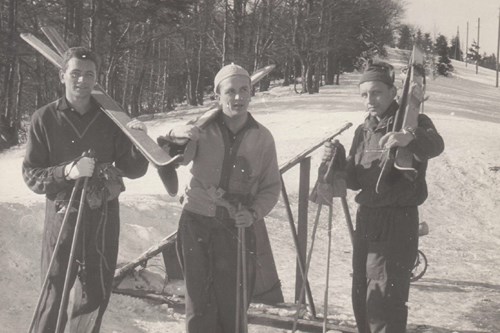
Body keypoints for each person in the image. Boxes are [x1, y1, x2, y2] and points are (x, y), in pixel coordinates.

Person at [22, 47, 149, 333]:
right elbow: (31, 175)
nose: (82, 80)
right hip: (62, 215)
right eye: (75, 73)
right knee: (53, 292)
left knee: (96, 293)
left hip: (102, 215)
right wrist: (67, 171)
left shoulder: (111, 118)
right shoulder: (44, 118)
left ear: (97, 79)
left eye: (89, 74)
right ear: (62, 75)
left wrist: (138, 143)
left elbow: (133, 169)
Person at [323, 60, 444, 333]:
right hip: (367, 220)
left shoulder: (412, 120)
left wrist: (409, 137)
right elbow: (354, 180)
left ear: (393, 92)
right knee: (363, 296)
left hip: (397, 220)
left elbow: (436, 144)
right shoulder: (363, 130)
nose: (370, 100)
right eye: (364, 94)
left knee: (386, 301)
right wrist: (338, 160)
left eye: (376, 92)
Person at [164, 63, 281, 333]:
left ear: (252, 93)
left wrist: (252, 213)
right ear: (218, 95)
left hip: (236, 227)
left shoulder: (262, 138)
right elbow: (168, 156)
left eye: (244, 90)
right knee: (199, 302)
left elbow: (270, 187)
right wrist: (175, 133)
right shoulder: (201, 128)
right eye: (230, 91)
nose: (237, 97)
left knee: (234, 303)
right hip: (196, 223)